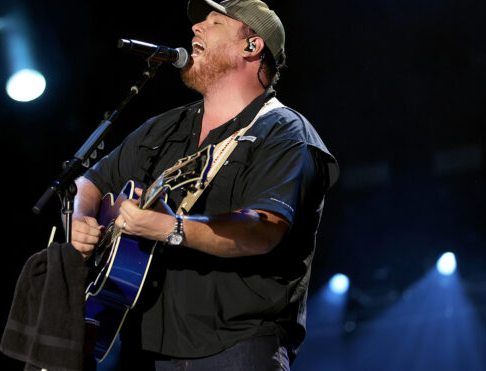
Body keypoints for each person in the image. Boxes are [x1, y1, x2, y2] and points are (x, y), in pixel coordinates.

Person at [70, 0, 339, 369]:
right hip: (142, 349)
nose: (196, 28)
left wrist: (172, 228)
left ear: (252, 45)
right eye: (198, 22)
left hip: (235, 348)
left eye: (214, 22)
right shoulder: (166, 128)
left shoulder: (285, 134)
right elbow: (92, 180)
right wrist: (81, 219)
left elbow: (262, 230)